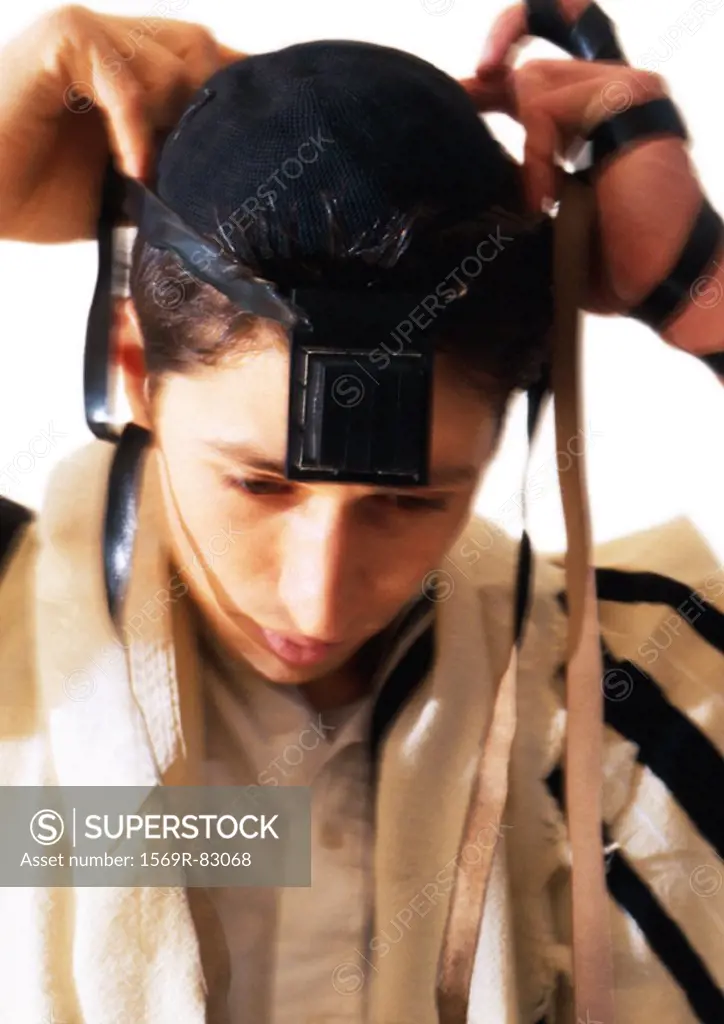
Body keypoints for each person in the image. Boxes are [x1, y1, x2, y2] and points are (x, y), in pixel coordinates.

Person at [0, 3, 722, 1023]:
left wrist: (706, 297)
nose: (321, 592)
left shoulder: (634, 694)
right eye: (259, 483)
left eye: (409, 499)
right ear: (137, 378)